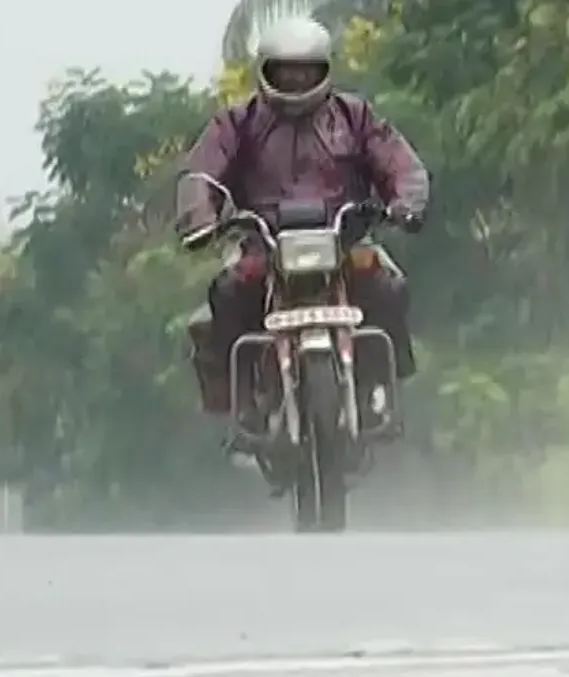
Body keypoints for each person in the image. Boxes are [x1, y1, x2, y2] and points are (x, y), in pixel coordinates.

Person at [176, 16, 429, 443]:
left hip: (344, 238)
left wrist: (406, 202)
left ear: (324, 70)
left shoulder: (355, 116)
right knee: (228, 291)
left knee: (388, 286)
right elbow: (202, 175)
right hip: (263, 241)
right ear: (265, 70)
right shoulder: (236, 124)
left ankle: (381, 385)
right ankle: (248, 404)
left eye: (305, 71)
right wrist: (199, 219)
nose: (295, 80)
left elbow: (399, 162)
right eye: (285, 71)